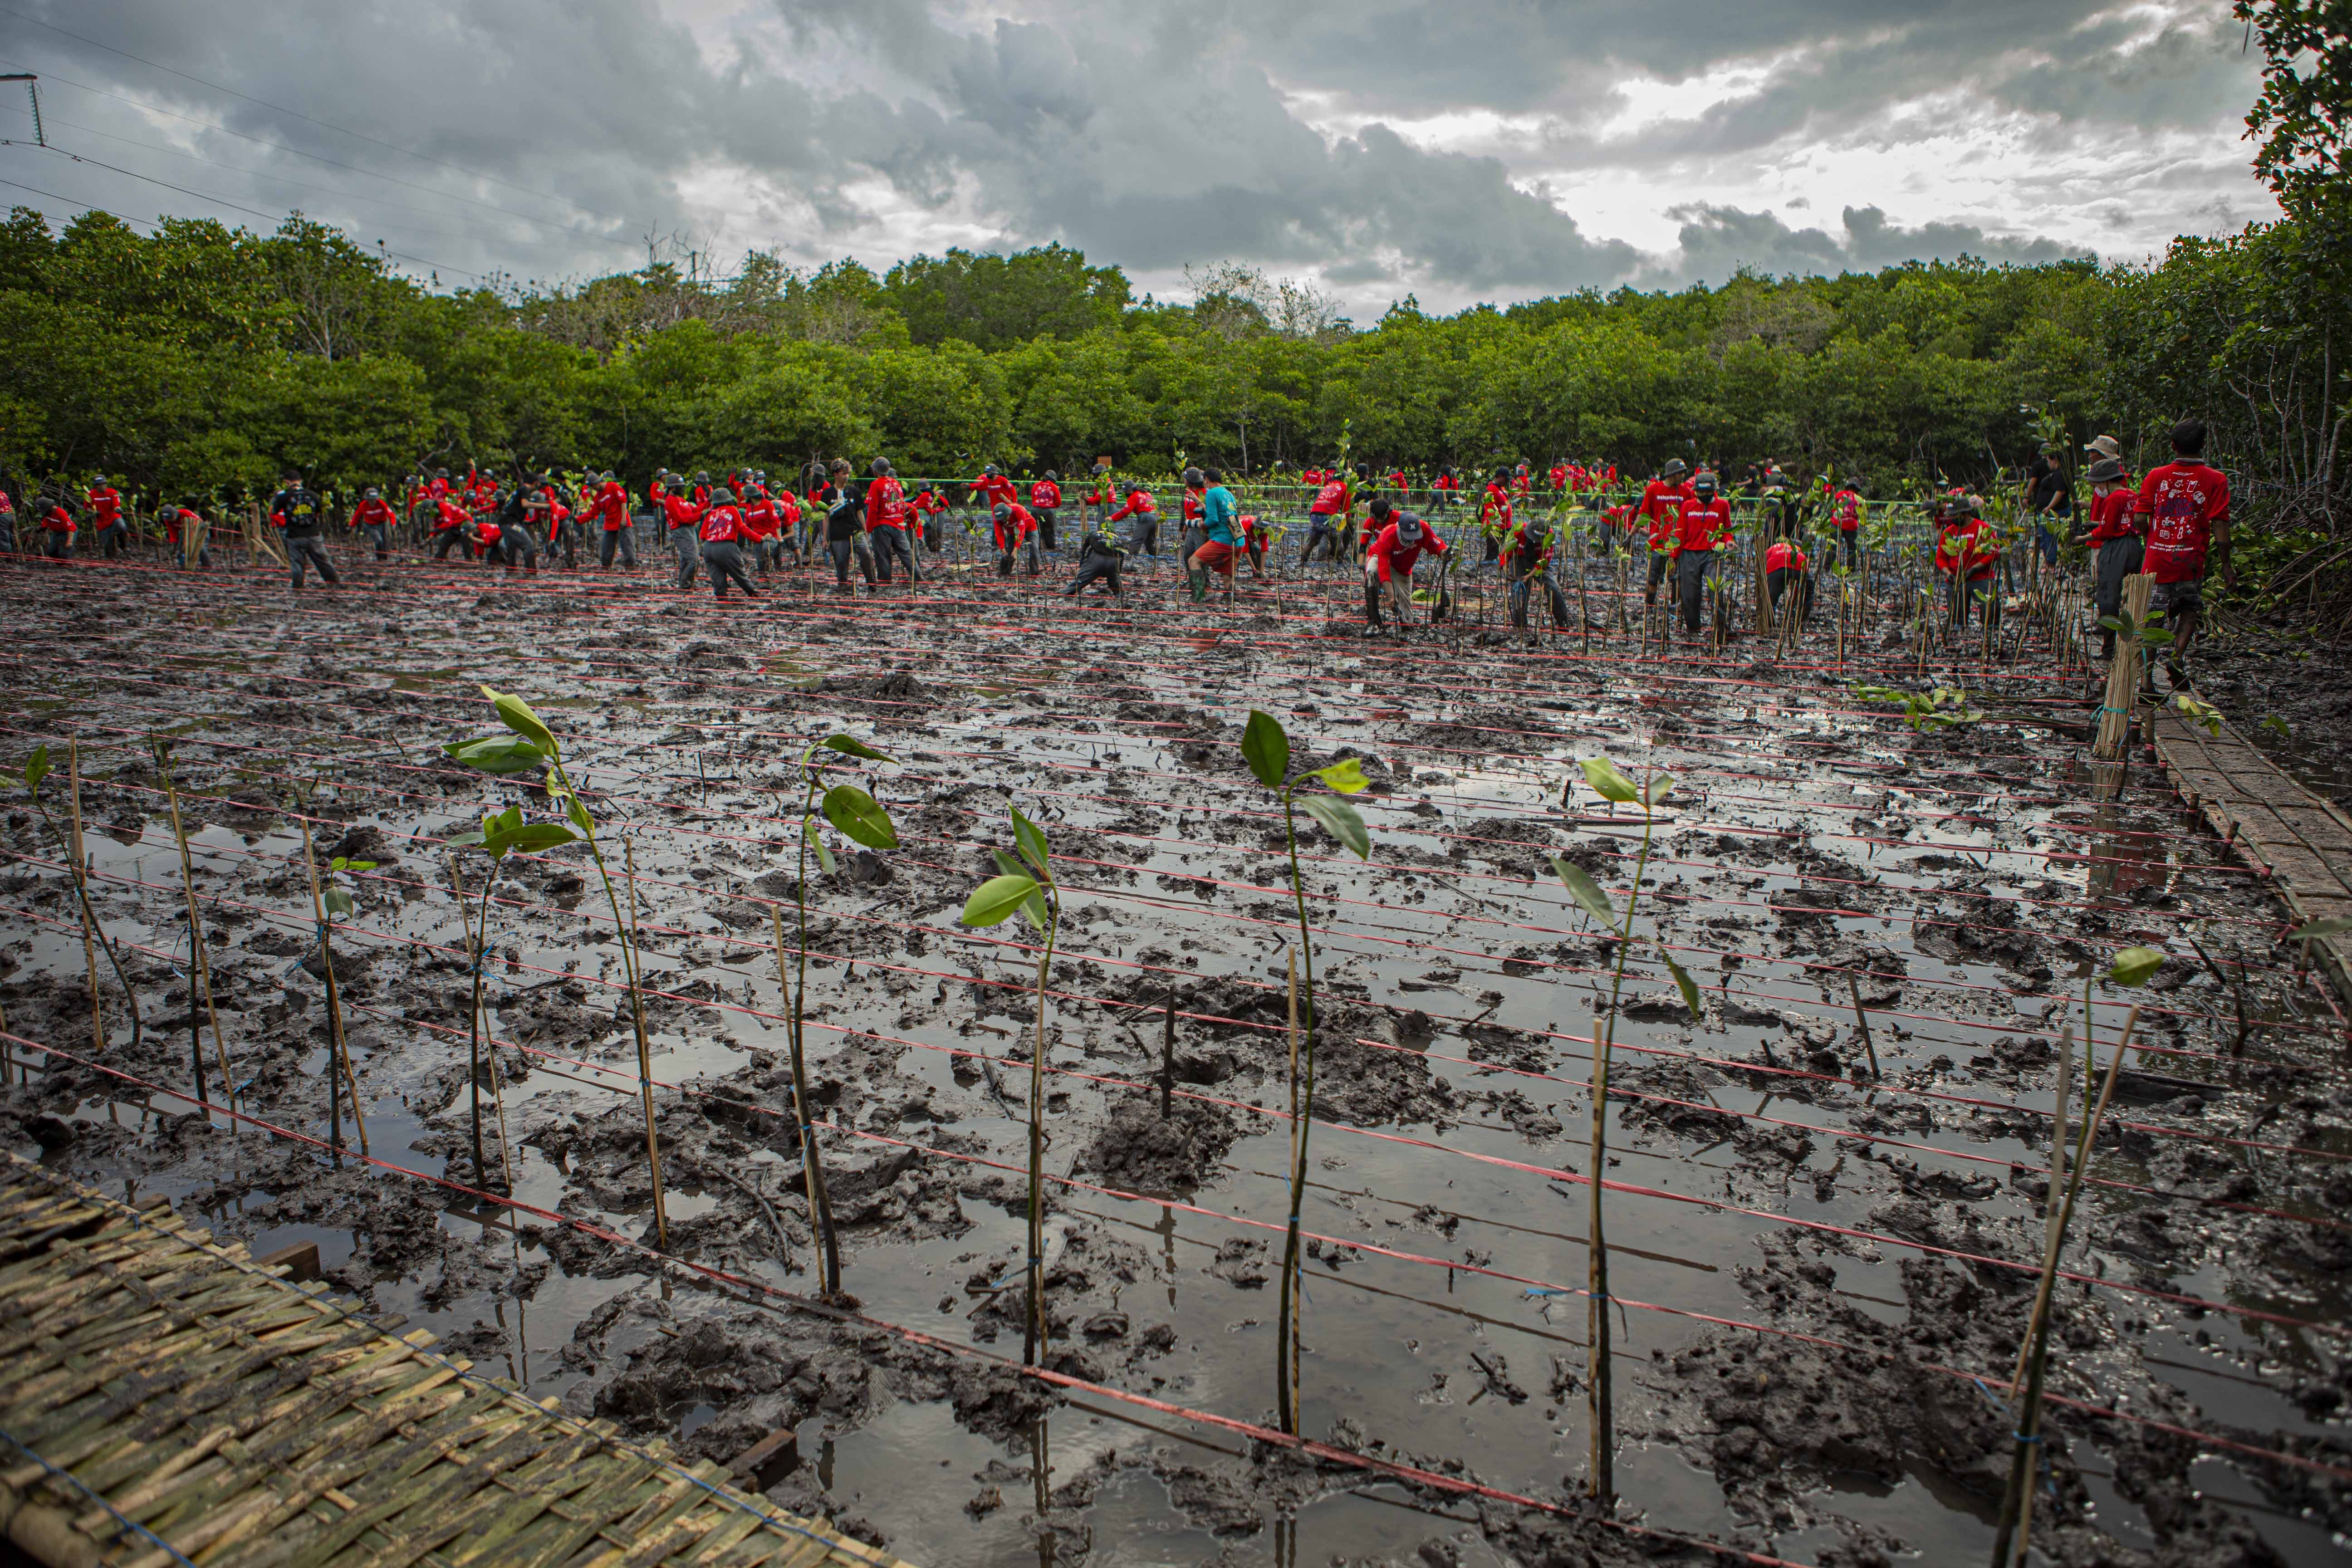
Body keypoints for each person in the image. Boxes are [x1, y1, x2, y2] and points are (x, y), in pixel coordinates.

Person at [2133, 417, 2231, 685]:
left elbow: (2141, 519)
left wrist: (2149, 539)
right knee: (2190, 610)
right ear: (2202, 445)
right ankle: (2177, 657)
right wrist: (2226, 566)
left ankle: (2146, 683)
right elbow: (2221, 527)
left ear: (2174, 446)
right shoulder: (2216, 479)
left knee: (2153, 618)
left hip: (2157, 561)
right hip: (2190, 561)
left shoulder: (2156, 476)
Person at [2076, 455, 2141, 662]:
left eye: (2097, 484)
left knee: (2108, 594)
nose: (2097, 488)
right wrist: (2097, 524)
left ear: (2105, 481)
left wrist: (2082, 538)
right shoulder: (2132, 495)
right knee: (2132, 595)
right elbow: (2124, 521)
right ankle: (2132, 643)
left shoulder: (2112, 498)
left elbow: (2106, 531)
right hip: (2134, 546)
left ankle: (2108, 648)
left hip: (2116, 548)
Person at [1362, 500, 1450, 631]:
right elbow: (1384, 571)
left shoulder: (1423, 528)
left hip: (1403, 569)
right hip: (1380, 557)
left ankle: (1406, 627)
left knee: (1407, 618)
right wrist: (1391, 597)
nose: (1411, 540)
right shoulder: (1388, 535)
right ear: (1399, 528)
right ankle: (1374, 622)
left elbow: (1435, 544)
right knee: (1372, 573)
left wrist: (1444, 552)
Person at [1665, 471, 1733, 634]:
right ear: (1696, 491)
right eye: (1701, 492)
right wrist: (1673, 557)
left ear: (1714, 491)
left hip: (1712, 554)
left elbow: (1727, 530)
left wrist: (1729, 542)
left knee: (1716, 590)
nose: (1704, 495)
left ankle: (1720, 629)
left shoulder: (1722, 505)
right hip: (1689, 554)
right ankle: (1693, 629)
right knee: (1690, 595)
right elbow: (1680, 532)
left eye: (1708, 492)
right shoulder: (1688, 506)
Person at [1931, 495, 2000, 624]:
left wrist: (1975, 569)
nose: (1951, 519)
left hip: (1981, 578)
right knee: (1957, 620)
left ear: (1964, 514)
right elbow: (1940, 558)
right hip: (1956, 579)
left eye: (1954, 516)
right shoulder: (1949, 532)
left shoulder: (1983, 528)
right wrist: (1948, 573)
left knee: (1991, 616)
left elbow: (1994, 552)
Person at [269, 469, 339, 589]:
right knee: (323, 561)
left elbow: (273, 512)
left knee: (297, 564)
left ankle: (298, 588)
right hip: (313, 534)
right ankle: (335, 584)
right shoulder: (313, 495)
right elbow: (318, 513)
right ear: (301, 481)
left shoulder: (284, 497)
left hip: (294, 535)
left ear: (286, 482)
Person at [1501, 507, 1569, 630]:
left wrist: (1529, 575)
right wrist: (1507, 571)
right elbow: (1506, 553)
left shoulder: (1550, 536)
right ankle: (1520, 625)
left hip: (1539, 562)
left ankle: (1563, 622)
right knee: (1518, 591)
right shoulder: (1519, 531)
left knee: (1554, 588)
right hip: (1519, 560)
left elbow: (1543, 562)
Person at [1638, 459, 1695, 606]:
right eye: (1680, 473)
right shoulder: (1653, 490)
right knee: (1653, 580)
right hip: (1658, 543)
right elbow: (1643, 513)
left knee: (1676, 579)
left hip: (1677, 544)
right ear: (1672, 474)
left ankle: (1673, 608)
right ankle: (1650, 607)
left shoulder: (1686, 493)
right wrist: (1632, 533)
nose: (1683, 476)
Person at [1187, 466, 1242, 600]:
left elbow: (1212, 520)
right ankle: (1230, 603)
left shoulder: (1211, 493)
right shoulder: (1229, 493)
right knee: (1227, 576)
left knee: (1193, 561)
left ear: (1206, 480)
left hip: (1223, 540)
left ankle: (1198, 598)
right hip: (1239, 540)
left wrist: (1192, 524)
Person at [697, 486, 759, 601]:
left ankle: (722, 600)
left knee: (718, 579)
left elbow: (703, 536)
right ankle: (753, 593)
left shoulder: (710, 514)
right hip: (726, 547)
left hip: (709, 549)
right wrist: (759, 539)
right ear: (727, 500)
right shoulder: (732, 510)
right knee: (739, 573)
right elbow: (743, 530)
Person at [821, 460, 874, 592]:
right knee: (841, 562)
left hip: (856, 531)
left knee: (866, 554)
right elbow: (825, 517)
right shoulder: (827, 494)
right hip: (838, 534)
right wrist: (824, 538)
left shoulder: (854, 491)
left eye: (848, 474)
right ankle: (843, 585)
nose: (847, 476)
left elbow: (860, 512)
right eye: (844, 474)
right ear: (836, 474)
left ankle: (872, 583)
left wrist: (865, 530)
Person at [865, 457, 919, 584]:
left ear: (875, 471)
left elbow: (873, 509)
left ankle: (885, 581)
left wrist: (869, 529)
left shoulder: (876, 484)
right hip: (899, 523)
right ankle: (918, 578)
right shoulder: (896, 483)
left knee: (883, 555)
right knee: (906, 553)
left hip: (883, 524)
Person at [655, 471, 705, 589]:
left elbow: (695, 509)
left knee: (686, 560)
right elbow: (681, 519)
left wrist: (709, 503)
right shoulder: (670, 500)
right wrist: (701, 515)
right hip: (681, 531)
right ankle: (685, 585)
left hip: (690, 530)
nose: (682, 489)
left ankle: (683, 585)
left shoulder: (681, 499)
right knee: (693, 560)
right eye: (680, 487)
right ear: (673, 488)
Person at [2024, 450, 2070, 569]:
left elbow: (2060, 492)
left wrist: (2050, 507)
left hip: (2053, 512)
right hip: (2046, 512)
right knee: (2043, 536)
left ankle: (2051, 564)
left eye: (2049, 461)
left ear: (2055, 461)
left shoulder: (2060, 474)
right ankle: (2048, 561)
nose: (2047, 463)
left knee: (2049, 537)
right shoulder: (2055, 473)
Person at [1299, 468, 1352, 564]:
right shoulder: (1345, 488)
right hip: (1328, 516)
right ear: (1345, 479)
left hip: (1314, 514)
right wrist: (1350, 526)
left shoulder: (1328, 486)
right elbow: (1346, 512)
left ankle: (1303, 562)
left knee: (1312, 542)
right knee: (1337, 540)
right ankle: (1340, 563)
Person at [585, 473, 637, 568]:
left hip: (622, 521)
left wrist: (624, 519)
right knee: (606, 547)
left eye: (593, 486)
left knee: (627, 545)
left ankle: (631, 567)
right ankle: (606, 566)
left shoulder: (613, 486)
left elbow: (623, 501)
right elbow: (594, 512)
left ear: (598, 483)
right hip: (610, 522)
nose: (593, 489)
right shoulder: (598, 496)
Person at [1063, 526, 1127, 597]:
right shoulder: (1118, 540)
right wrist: (1118, 571)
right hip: (1114, 561)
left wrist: (1082, 562)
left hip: (1097, 559)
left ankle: (1067, 591)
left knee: (1082, 579)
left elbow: (1084, 549)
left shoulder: (1094, 534)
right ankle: (1120, 596)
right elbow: (1122, 556)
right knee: (1115, 582)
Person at [1765, 534, 1812, 622]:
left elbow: (1764, 557)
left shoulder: (1776, 546)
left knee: (1772, 594)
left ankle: (1769, 619)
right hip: (1798, 564)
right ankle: (1802, 618)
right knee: (1809, 590)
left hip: (1775, 565)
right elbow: (1807, 569)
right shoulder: (1800, 551)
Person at [1107, 483, 1161, 562]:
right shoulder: (1147, 494)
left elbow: (1125, 512)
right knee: (1150, 543)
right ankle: (1157, 560)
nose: (1126, 493)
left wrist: (1112, 518)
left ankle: (1131, 560)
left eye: (1127, 492)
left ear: (1131, 491)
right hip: (1156, 518)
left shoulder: (1133, 497)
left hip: (1145, 518)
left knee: (1136, 541)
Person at [347, 486, 397, 561]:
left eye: (374, 500)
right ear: (367, 499)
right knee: (379, 540)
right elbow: (357, 516)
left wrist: (393, 524)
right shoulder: (363, 506)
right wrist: (351, 526)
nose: (373, 502)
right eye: (370, 500)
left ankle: (384, 558)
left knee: (385, 541)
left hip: (382, 524)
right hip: (370, 526)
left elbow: (391, 514)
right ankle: (379, 557)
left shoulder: (382, 504)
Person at [992, 500, 1041, 577]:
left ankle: (1034, 572)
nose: (1003, 521)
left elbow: (1021, 531)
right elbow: (999, 534)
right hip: (1012, 532)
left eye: (1005, 518)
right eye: (1001, 520)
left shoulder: (1019, 510)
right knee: (1008, 552)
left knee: (1034, 548)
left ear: (1009, 513)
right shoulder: (997, 517)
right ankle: (1005, 573)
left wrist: (1016, 550)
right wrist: (1003, 549)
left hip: (1030, 528)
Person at [159, 499, 211, 570]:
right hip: (184, 533)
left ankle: (207, 568)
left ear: (175, 514)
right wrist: (174, 545)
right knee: (180, 551)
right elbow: (172, 533)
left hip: (200, 530)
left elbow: (198, 523)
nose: (170, 521)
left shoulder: (185, 513)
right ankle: (185, 568)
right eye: (168, 519)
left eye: (171, 518)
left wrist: (189, 541)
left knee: (201, 548)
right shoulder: (168, 521)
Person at [86, 476, 129, 559]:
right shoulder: (91, 495)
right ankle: (112, 557)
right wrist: (93, 512)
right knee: (108, 550)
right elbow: (87, 507)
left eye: (105, 484)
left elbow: (116, 506)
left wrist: (118, 509)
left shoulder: (113, 492)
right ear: (97, 486)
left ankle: (124, 546)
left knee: (122, 527)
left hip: (114, 518)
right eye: (101, 485)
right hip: (102, 522)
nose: (104, 486)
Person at [1477, 468, 1514, 564]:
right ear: (1500, 477)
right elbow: (1488, 509)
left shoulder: (1502, 488)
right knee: (1492, 554)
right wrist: (1490, 529)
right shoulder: (1491, 489)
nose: (1507, 482)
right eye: (1506, 479)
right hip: (1495, 527)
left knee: (1500, 551)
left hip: (1505, 525)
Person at [1829, 477, 1864, 569]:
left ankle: (1827, 567)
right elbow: (1860, 514)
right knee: (1852, 550)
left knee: (1832, 547)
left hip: (1837, 523)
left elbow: (1833, 510)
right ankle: (1851, 569)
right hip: (1851, 526)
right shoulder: (1859, 499)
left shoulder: (1839, 495)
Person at [429, 493, 473, 559]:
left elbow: (448, 524)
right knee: (444, 542)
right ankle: (440, 557)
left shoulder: (443, 507)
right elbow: (438, 527)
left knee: (466, 543)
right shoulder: (438, 513)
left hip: (465, 523)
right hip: (455, 525)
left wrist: (437, 530)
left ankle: (470, 561)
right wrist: (431, 536)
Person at [37, 488, 76, 559]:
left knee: (64, 554)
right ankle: (60, 564)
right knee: (51, 552)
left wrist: (70, 542)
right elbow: (47, 520)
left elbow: (71, 528)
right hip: (56, 533)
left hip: (67, 532)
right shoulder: (48, 514)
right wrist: (42, 527)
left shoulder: (61, 513)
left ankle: (69, 560)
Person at [1029, 470, 1061, 553]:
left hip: (1035, 510)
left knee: (1036, 529)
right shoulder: (1054, 487)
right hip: (1048, 511)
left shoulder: (1036, 485)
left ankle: (1038, 546)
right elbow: (1058, 502)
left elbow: (1033, 497)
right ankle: (1051, 547)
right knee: (1050, 529)